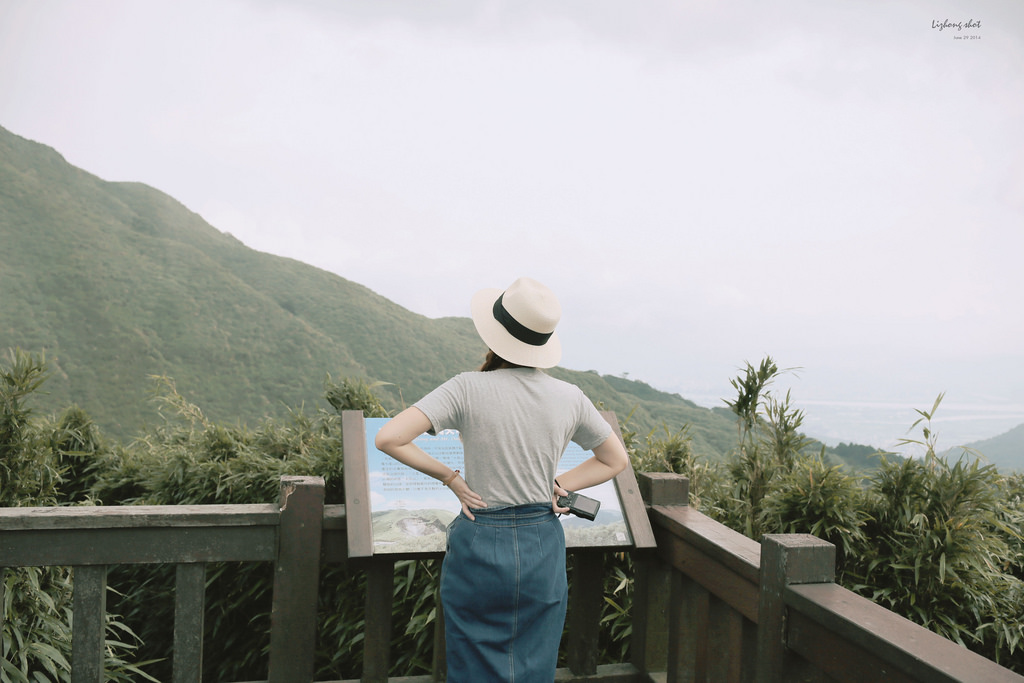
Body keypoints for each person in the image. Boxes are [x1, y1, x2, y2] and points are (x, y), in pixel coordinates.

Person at [374, 276, 629, 682]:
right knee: (534, 663)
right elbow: (615, 459)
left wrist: (451, 479)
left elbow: (389, 437)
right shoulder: (570, 396)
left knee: (473, 664)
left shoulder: (466, 388)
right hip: (541, 545)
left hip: (480, 540)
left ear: (494, 336)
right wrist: (558, 484)